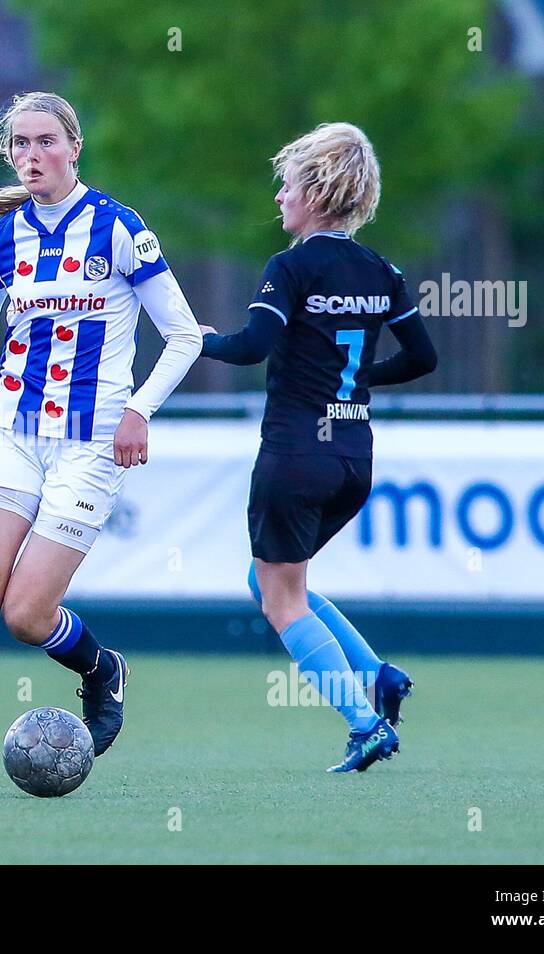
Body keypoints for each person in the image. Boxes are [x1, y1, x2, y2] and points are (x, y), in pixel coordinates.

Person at [0, 91, 203, 794]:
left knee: (27, 616)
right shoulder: (3, 238)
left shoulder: (118, 228)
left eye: (45, 142)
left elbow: (184, 335)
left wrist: (139, 411)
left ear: (73, 145)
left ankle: (103, 669)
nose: (32, 156)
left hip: (90, 443)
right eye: (20, 145)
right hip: (13, 433)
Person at [197, 122, 437, 773]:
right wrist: (357, 380)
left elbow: (251, 346)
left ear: (315, 189)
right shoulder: (380, 269)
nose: (279, 196)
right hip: (352, 459)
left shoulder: (292, 267)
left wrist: (199, 340)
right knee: (275, 582)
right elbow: (423, 357)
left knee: (281, 597)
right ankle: (379, 675)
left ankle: (365, 725)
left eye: (287, 183)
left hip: (296, 453)